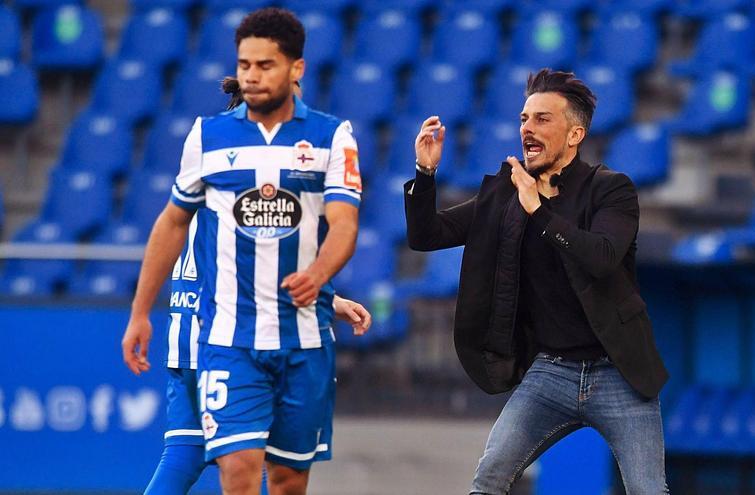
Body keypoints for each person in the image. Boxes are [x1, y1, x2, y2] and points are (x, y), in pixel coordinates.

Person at [121, 7, 362, 495]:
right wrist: (140, 312)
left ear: (297, 69)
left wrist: (318, 277)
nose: (251, 76)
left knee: (291, 480)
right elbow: (171, 222)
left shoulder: (331, 137)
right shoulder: (207, 136)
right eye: (245, 65)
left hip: (304, 343)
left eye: (265, 65)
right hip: (229, 340)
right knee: (237, 473)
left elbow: (344, 223)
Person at [405, 68, 670, 494]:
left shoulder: (611, 190)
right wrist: (424, 173)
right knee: (489, 477)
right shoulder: (508, 194)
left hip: (618, 372)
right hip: (551, 373)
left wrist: (540, 212)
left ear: (574, 134)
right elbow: (426, 235)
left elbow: (601, 258)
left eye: (543, 119)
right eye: (525, 119)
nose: (528, 128)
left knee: (649, 491)